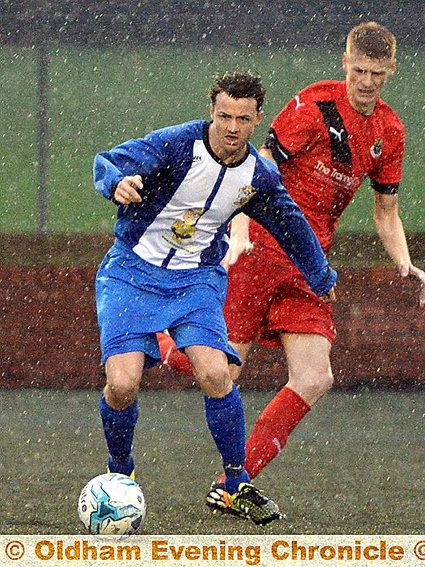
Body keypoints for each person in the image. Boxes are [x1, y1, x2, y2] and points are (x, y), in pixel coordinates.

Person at [156, 22, 425, 516]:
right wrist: (239, 229)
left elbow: (385, 212)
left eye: (377, 73)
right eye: (359, 70)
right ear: (345, 63)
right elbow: (256, 165)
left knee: (315, 376)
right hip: (262, 246)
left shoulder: (390, 131)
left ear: (391, 71)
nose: (366, 81)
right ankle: (159, 331)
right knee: (221, 370)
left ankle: (230, 485)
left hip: (310, 263)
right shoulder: (314, 105)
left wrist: (404, 262)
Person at [93, 71, 337, 526]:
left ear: (257, 120)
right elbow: (108, 161)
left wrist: (320, 276)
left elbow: (290, 223)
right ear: (212, 112)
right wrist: (116, 184)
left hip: (197, 280)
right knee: (122, 385)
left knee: (215, 372)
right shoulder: (176, 144)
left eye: (243, 119)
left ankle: (234, 482)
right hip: (130, 271)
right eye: (224, 115)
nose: (231, 127)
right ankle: (120, 474)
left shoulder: (258, 176)